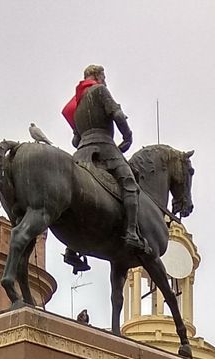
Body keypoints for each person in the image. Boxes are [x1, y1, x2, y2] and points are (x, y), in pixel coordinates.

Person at [63, 63, 145, 253]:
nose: (105, 81)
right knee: (130, 184)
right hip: (105, 147)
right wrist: (128, 136)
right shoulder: (100, 91)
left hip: (81, 154)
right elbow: (117, 114)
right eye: (104, 77)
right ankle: (132, 232)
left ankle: (71, 249)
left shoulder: (76, 103)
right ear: (98, 77)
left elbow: (75, 139)